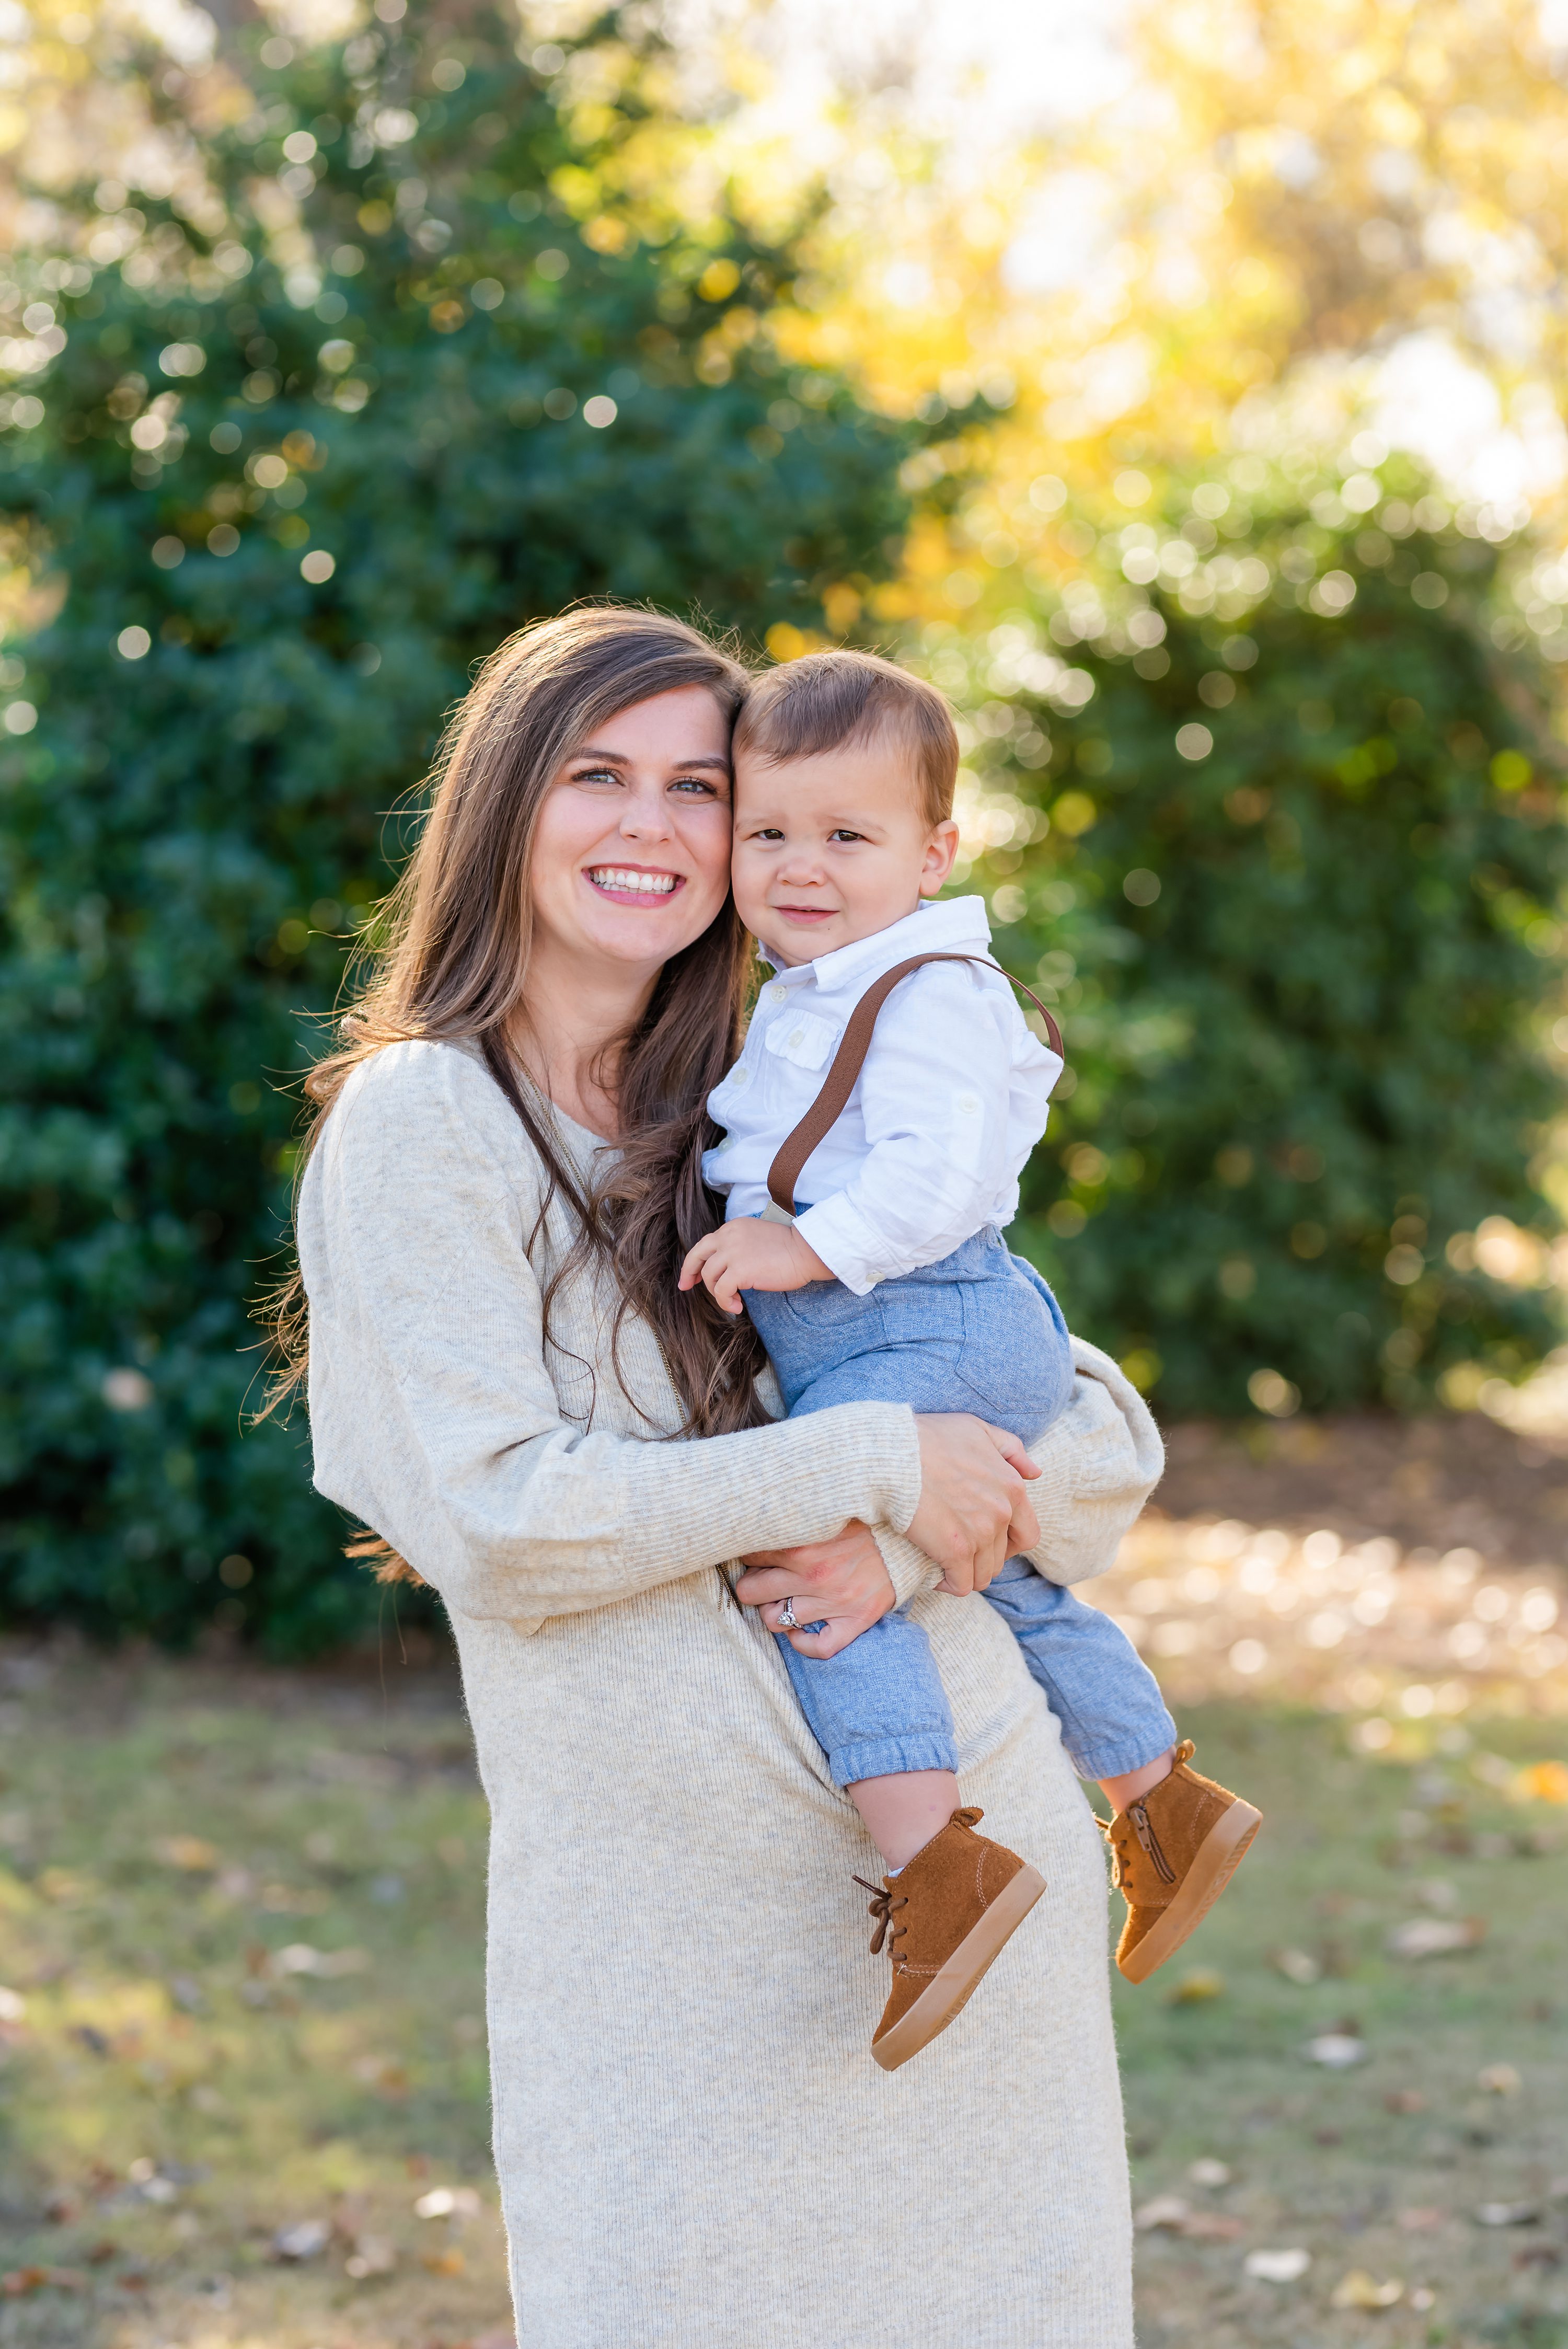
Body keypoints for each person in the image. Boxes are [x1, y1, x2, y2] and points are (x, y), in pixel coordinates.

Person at [281, 605, 1162, 2348]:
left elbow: (1095, 1439)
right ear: (503, 805)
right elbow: (501, 1522)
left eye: (703, 786)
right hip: (672, 1953)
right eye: (598, 776)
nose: (658, 827)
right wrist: (870, 1466)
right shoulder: (423, 1124)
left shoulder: (778, 1113)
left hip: (970, 1887)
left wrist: (902, 1539)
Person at [680, 651, 1261, 2069]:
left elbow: (939, 1182)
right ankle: (1161, 1801)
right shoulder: (816, 985)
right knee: (1013, 1574)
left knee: (822, 1579)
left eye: (847, 836)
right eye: (769, 832)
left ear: (935, 853)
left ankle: (942, 1868)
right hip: (914, 1321)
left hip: (918, 1310)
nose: (800, 867)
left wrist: (798, 1251)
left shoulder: (928, 984)